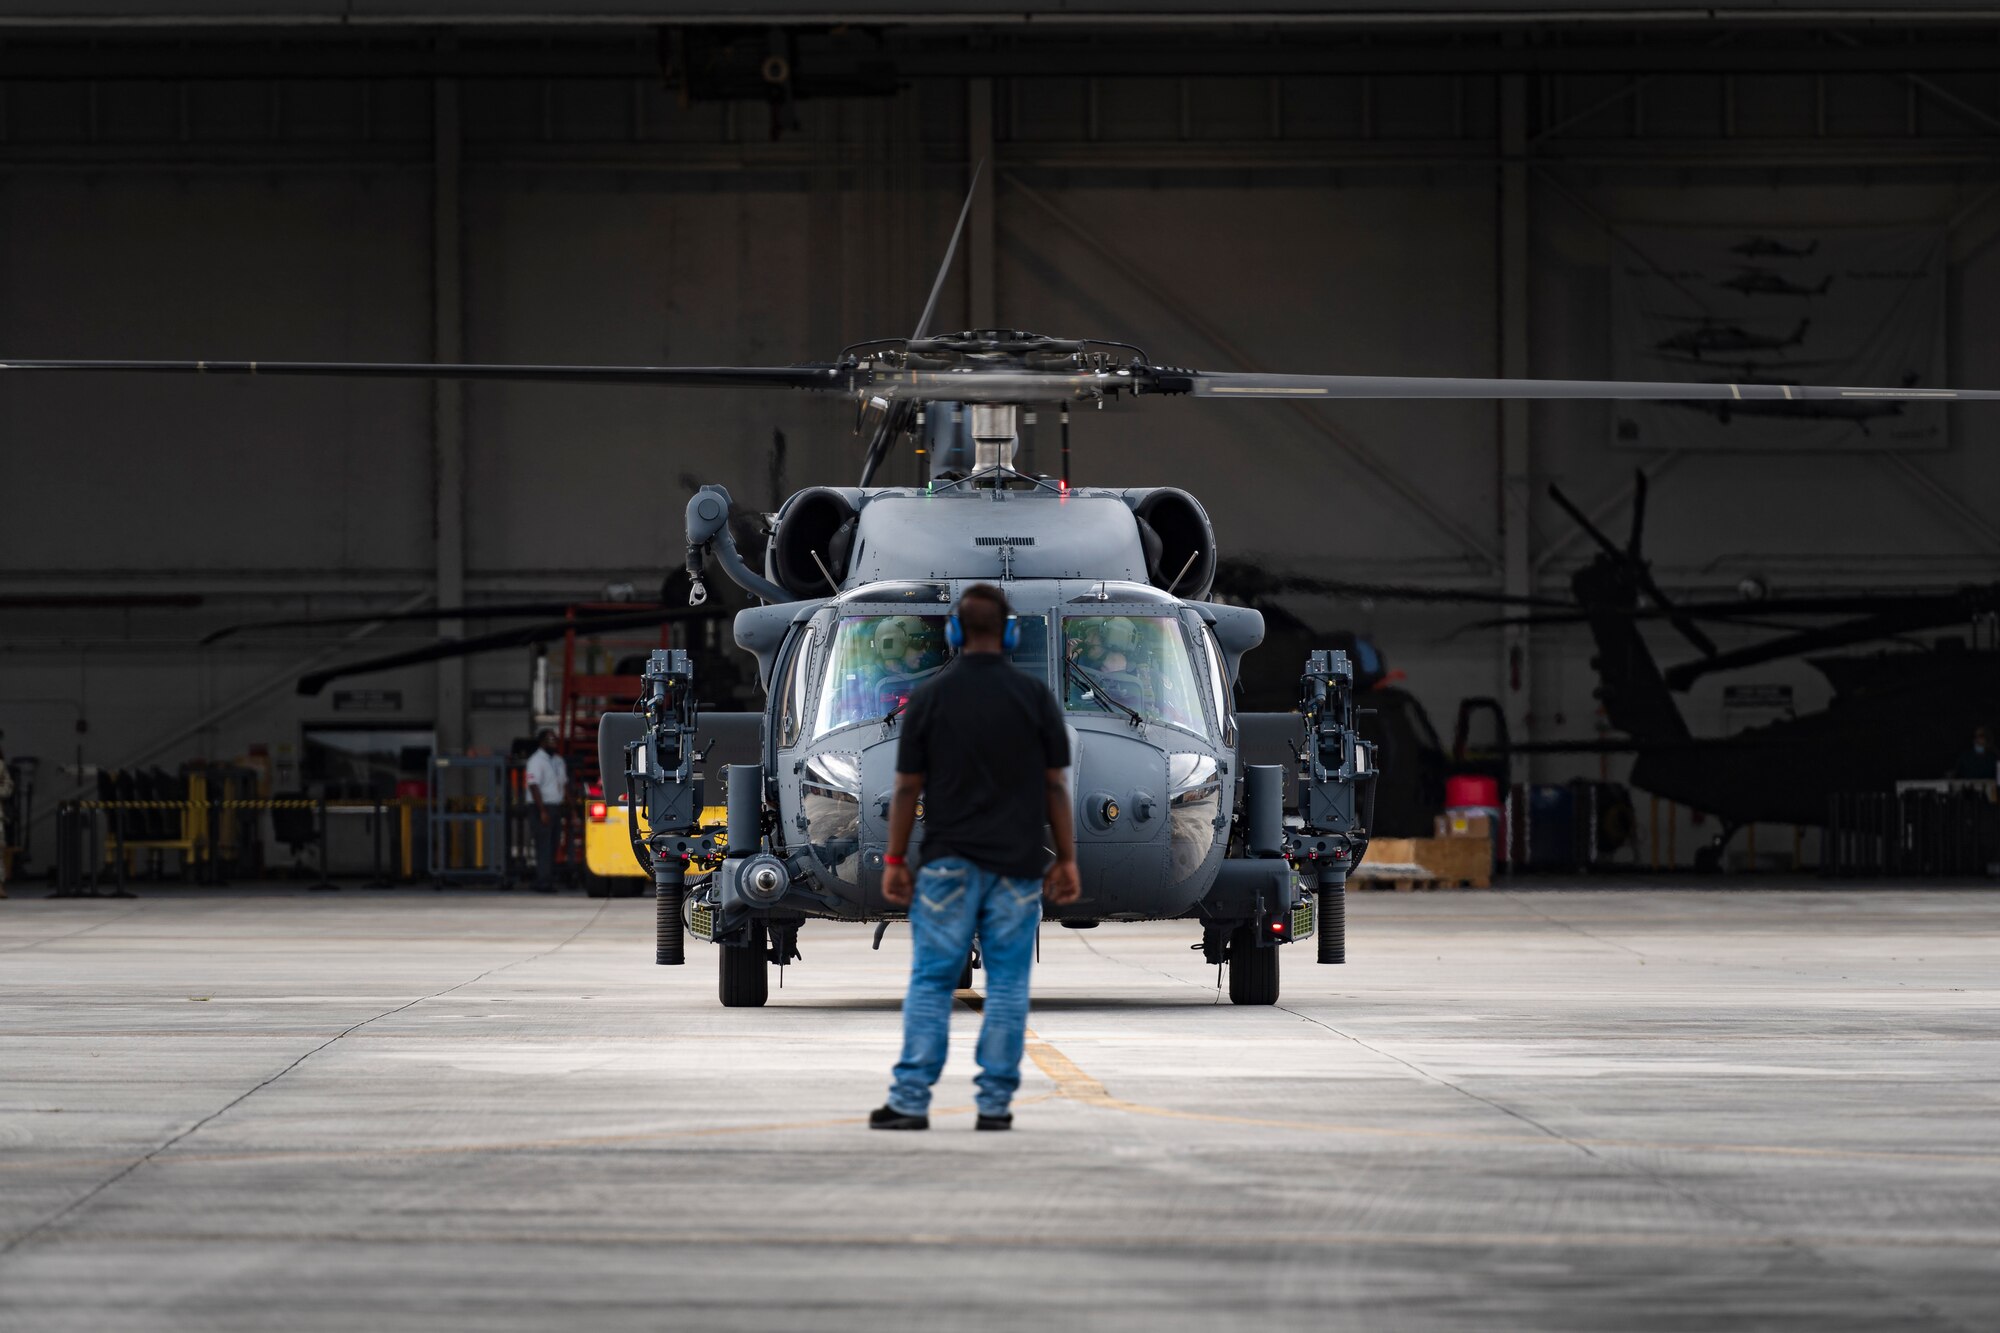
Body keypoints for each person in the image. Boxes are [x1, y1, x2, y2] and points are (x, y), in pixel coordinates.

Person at [872, 583, 1081, 1132]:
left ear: (955, 633)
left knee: (932, 982)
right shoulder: (1035, 698)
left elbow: (906, 788)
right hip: (1016, 868)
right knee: (1009, 986)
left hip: (947, 866)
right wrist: (1066, 859)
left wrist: (895, 861)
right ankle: (994, 1105)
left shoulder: (930, 699)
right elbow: (1056, 787)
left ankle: (912, 1101)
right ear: (1011, 633)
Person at [524, 729, 568, 893]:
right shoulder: (536, 761)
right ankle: (543, 881)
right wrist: (542, 811)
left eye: (555, 740)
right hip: (540, 807)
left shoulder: (557, 761)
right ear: (542, 742)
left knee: (553, 844)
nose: (554, 743)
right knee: (543, 845)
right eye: (550, 740)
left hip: (555, 806)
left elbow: (564, 783)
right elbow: (533, 786)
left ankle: (547, 878)